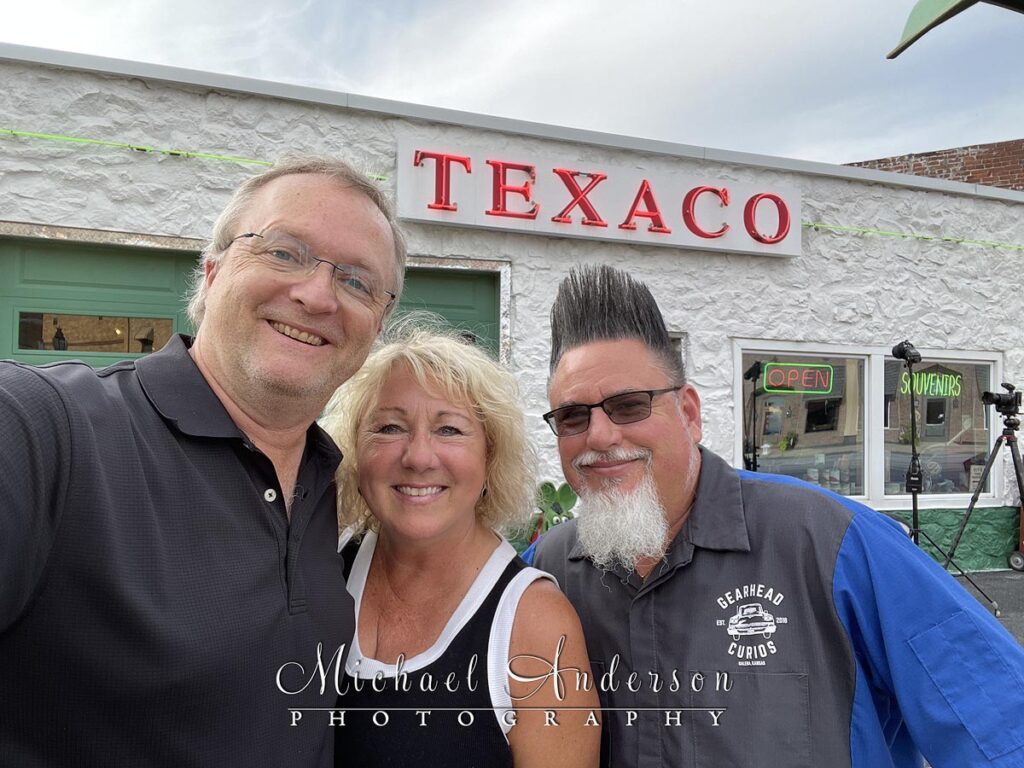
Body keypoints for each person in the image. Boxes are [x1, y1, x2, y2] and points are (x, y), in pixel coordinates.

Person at [527, 264, 1024, 768]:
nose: (599, 436)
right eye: (572, 416)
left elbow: (1000, 727)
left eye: (629, 405)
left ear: (691, 414)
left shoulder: (834, 544)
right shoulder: (546, 573)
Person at [0, 156, 406, 767]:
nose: (318, 294)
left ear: (376, 324)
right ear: (212, 272)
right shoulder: (46, 428)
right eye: (284, 252)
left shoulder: (339, 490)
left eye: (356, 281)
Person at [321, 325, 600, 768]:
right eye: (390, 427)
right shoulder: (321, 573)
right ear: (356, 449)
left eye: (449, 429)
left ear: (490, 457)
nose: (418, 457)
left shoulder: (534, 624)